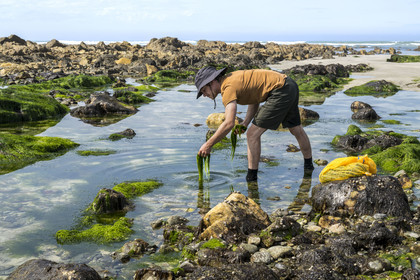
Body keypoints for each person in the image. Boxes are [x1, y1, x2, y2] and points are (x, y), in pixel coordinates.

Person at [195, 66, 314, 182]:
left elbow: (229, 123)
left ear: (212, 82)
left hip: (280, 90)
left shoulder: (227, 87)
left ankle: (251, 178)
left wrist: (208, 145)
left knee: (252, 134)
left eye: (204, 90)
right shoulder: (232, 78)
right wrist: (245, 123)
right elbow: (255, 98)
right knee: (295, 129)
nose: (204, 95)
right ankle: (309, 166)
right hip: (289, 84)